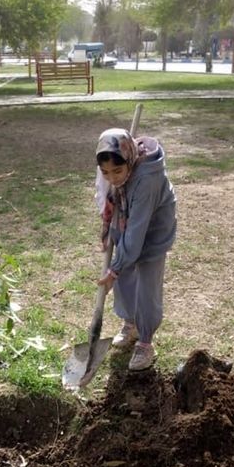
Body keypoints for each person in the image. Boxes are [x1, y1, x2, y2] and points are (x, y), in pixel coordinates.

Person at [95, 128, 176, 372]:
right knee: (125, 280)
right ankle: (131, 324)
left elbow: (138, 231)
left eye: (117, 171)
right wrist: (110, 229)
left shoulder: (147, 179)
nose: (112, 178)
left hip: (152, 229)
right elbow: (108, 197)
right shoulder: (114, 168)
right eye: (106, 172)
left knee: (146, 285)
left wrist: (114, 268)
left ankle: (145, 341)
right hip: (127, 221)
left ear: (129, 160)